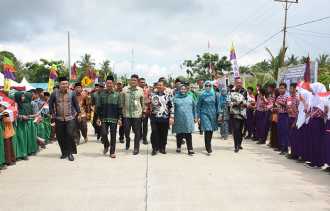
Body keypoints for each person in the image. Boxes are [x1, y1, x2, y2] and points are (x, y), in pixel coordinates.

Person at [49, 76, 80, 161]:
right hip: (58, 119)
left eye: (66, 83)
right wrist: (52, 114)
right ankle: (64, 152)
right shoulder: (54, 93)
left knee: (70, 135)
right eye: (63, 84)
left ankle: (70, 153)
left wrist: (78, 113)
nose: (65, 85)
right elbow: (50, 104)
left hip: (70, 118)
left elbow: (76, 104)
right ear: (59, 84)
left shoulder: (72, 93)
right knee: (60, 136)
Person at [97, 75, 122, 158]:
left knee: (113, 135)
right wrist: (98, 118)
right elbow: (98, 107)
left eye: (110, 83)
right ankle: (106, 145)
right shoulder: (101, 94)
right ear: (105, 84)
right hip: (104, 117)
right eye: (107, 83)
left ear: (113, 84)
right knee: (103, 133)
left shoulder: (117, 95)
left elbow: (120, 107)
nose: (109, 85)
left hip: (114, 118)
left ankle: (112, 152)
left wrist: (120, 118)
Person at [121, 74, 145, 155]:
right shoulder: (124, 90)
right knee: (126, 131)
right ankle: (127, 139)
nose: (133, 81)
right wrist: (121, 113)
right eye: (132, 80)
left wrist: (143, 112)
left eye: (135, 80)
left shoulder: (140, 90)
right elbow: (122, 102)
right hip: (126, 114)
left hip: (137, 115)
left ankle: (136, 148)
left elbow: (142, 102)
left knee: (137, 132)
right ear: (129, 81)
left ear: (137, 81)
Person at [150, 81, 173, 155]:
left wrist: (171, 116)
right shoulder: (152, 95)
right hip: (154, 117)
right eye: (158, 85)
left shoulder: (168, 95)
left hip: (165, 117)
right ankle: (154, 148)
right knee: (154, 133)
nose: (159, 86)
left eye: (161, 85)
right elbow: (148, 104)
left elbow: (171, 106)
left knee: (164, 133)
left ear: (164, 87)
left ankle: (162, 148)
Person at [173, 84, 196, 155]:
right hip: (178, 118)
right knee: (179, 133)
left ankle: (190, 149)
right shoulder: (175, 98)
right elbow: (172, 108)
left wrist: (195, 117)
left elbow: (194, 108)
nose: (183, 90)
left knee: (188, 134)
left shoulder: (190, 97)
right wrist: (172, 117)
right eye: (181, 89)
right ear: (179, 90)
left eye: (184, 89)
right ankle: (178, 146)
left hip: (188, 118)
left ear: (186, 90)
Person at [197, 81, 219, 154]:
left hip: (213, 114)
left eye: (209, 85)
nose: (208, 87)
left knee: (211, 130)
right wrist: (198, 116)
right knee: (207, 129)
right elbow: (198, 106)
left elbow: (217, 105)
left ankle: (208, 142)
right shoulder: (201, 95)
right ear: (204, 86)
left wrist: (218, 114)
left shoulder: (215, 94)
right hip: (204, 114)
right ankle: (208, 147)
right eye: (206, 85)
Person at [230, 79, 247, 153]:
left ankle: (239, 143)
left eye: (240, 82)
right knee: (236, 129)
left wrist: (244, 103)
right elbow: (228, 100)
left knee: (240, 129)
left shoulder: (244, 91)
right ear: (235, 83)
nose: (239, 84)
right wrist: (234, 104)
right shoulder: (231, 91)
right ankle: (236, 145)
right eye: (238, 82)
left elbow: (246, 100)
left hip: (242, 113)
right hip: (234, 113)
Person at [274, 83, 289, 155]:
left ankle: (285, 149)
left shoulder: (287, 97)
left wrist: (282, 104)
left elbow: (288, 107)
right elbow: (277, 106)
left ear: (285, 89)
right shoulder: (278, 97)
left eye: (282, 88)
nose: (280, 90)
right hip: (279, 115)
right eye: (280, 88)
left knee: (284, 132)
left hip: (286, 115)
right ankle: (280, 146)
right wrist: (275, 109)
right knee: (279, 131)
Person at [0, 102, 16, 166]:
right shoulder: (5, 113)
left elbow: (8, 120)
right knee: (9, 146)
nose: (0, 109)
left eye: (1, 107)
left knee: (8, 147)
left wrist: (2, 117)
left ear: (3, 107)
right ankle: (12, 160)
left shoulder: (5, 113)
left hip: (7, 132)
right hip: (9, 132)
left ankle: (9, 161)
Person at [287, 83, 299, 159]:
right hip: (289, 118)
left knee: (295, 137)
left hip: (295, 119)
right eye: (290, 88)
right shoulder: (289, 98)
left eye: (291, 88)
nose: (290, 90)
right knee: (290, 137)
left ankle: (295, 154)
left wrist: (295, 122)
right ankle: (292, 152)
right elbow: (287, 107)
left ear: (295, 89)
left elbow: (299, 111)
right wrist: (288, 110)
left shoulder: (298, 98)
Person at [139, 77, 151, 145]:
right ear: (139, 82)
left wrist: (147, 103)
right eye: (141, 82)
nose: (142, 83)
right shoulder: (136, 90)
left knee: (145, 125)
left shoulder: (147, 90)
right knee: (138, 125)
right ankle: (140, 136)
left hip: (145, 110)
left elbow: (150, 99)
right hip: (137, 111)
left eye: (143, 82)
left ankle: (144, 138)